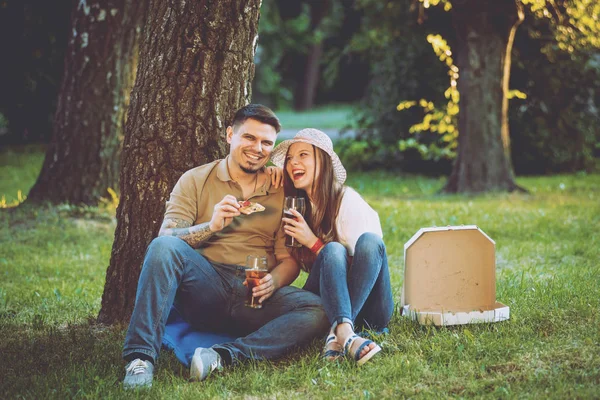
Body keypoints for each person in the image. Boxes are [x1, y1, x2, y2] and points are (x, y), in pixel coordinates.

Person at [122, 105, 328, 389]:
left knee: (318, 309)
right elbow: (166, 237)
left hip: (255, 294)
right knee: (163, 247)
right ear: (230, 135)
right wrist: (212, 226)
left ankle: (224, 356)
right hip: (205, 286)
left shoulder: (280, 188)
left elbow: (288, 259)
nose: (257, 148)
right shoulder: (195, 180)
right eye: (249, 138)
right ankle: (140, 358)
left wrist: (273, 281)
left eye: (266, 142)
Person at [270, 128, 394, 366]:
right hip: (330, 301)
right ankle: (345, 334)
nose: (293, 162)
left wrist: (313, 243)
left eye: (303, 155)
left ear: (323, 162)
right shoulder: (299, 207)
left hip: (370, 307)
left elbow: (367, 267)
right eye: (289, 159)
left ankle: (337, 333)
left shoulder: (348, 202)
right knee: (332, 250)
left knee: (364, 242)